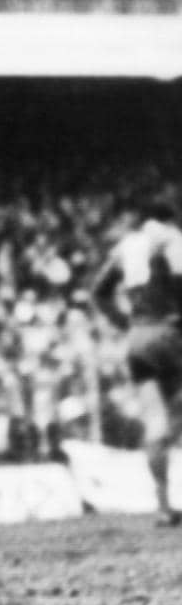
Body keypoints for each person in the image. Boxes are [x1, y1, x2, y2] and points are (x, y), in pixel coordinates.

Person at [91, 198, 182, 525]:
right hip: (172, 333)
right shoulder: (173, 239)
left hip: (138, 340)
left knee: (156, 424)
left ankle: (163, 506)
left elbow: (99, 291)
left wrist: (123, 323)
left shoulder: (126, 247)